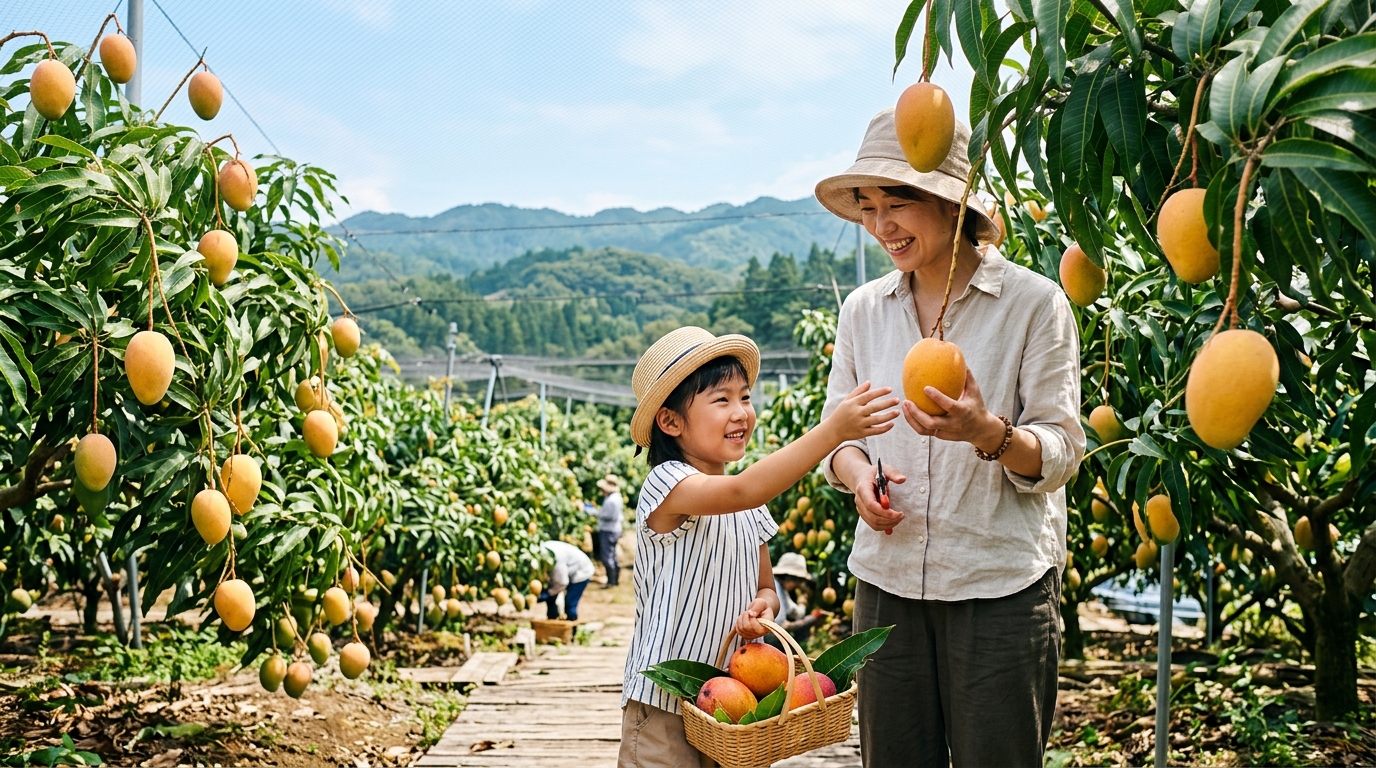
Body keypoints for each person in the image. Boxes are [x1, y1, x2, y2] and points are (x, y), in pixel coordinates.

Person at [812, 109, 1084, 767]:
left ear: (951, 201)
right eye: (869, 208)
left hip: (999, 585)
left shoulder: (1033, 304)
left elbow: (1061, 447)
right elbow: (836, 439)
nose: (881, 227)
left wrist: (987, 433)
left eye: (897, 203)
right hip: (887, 579)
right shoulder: (863, 311)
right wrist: (859, 480)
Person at [618, 326, 898, 768]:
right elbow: (740, 491)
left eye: (745, 397)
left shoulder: (752, 510)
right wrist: (834, 431)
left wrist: (762, 610)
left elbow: (767, 589)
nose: (741, 412)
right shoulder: (668, 484)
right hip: (665, 704)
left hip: (738, 707)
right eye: (721, 400)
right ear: (670, 421)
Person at [767, 552, 823, 647]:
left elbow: (796, 613)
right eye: (797, 581)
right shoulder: (774, 587)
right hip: (767, 639)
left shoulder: (782, 589)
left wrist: (802, 603)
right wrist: (811, 619)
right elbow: (781, 626)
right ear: (791, 579)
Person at [536, 539, 595, 622]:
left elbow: (562, 583)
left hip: (581, 571)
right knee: (551, 600)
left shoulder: (556, 561)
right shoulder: (542, 554)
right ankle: (552, 623)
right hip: (569, 566)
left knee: (570, 603)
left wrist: (547, 593)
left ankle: (571, 627)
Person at [596, 474, 625, 587]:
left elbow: (609, 515)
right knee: (612, 554)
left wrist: (596, 513)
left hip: (609, 530)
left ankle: (611, 581)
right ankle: (614, 579)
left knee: (607, 555)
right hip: (614, 529)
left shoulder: (612, 500)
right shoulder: (616, 497)